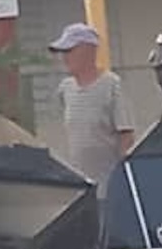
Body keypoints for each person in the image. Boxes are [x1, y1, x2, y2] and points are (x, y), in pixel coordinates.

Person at [49, 23, 135, 196]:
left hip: (109, 187)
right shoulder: (65, 89)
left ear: (88, 51)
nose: (64, 58)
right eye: (62, 53)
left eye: (69, 51)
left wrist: (122, 179)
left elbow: (126, 135)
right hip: (79, 189)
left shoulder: (112, 85)